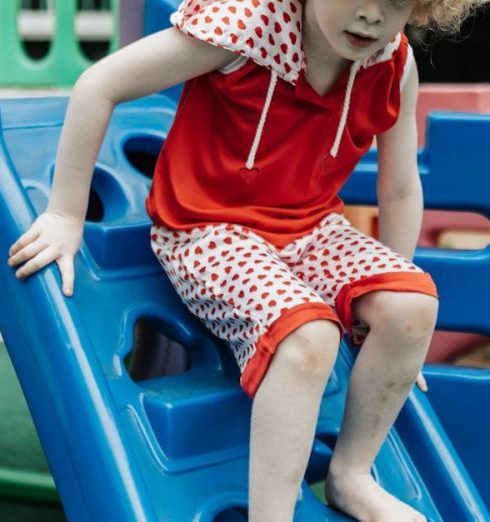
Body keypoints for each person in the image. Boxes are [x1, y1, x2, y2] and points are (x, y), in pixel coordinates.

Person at [7, 1, 489, 520]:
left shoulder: (392, 63)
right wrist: (64, 214)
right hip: (206, 228)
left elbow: (398, 189)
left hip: (308, 229)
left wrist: (388, 334)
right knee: (309, 337)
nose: (371, 16)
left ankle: (351, 477)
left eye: (394, 1)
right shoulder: (243, 29)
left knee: (412, 309)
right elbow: (99, 85)